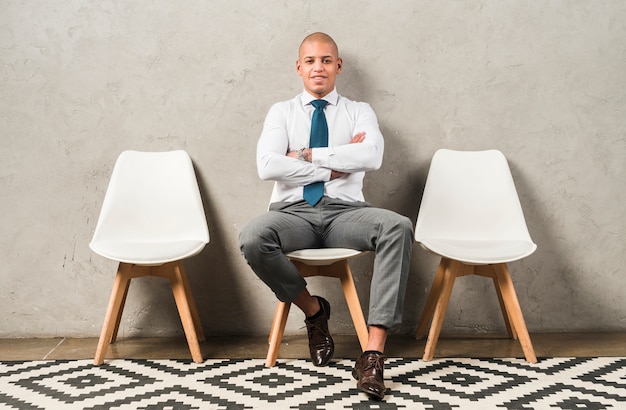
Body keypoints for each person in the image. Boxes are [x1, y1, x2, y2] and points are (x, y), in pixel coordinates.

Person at [239, 32, 413, 400]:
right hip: (293, 214)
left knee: (398, 226)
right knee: (254, 237)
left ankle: (373, 354)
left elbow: (371, 157)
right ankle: (314, 309)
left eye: (326, 60)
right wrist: (336, 163)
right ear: (299, 67)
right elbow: (268, 166)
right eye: (311, 60)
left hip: (344, 213)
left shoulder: (359, 110)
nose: (318, 67)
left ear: (338, 66)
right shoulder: (281, 111)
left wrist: (304, 155)